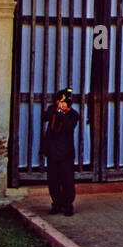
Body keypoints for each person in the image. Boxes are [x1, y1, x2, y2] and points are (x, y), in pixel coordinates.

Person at [41, 88, 79, 217]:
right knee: (53, 180)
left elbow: (68, 126)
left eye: (64, 101)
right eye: (59, 101)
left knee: (67, 180)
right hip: (52, 151)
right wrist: (56, 110)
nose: (62, 104)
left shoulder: (73, 114)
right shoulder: (53, 110)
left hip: (66, 153)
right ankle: (56, 203)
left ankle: (68, 205)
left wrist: (61, 112)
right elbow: (44, 117)